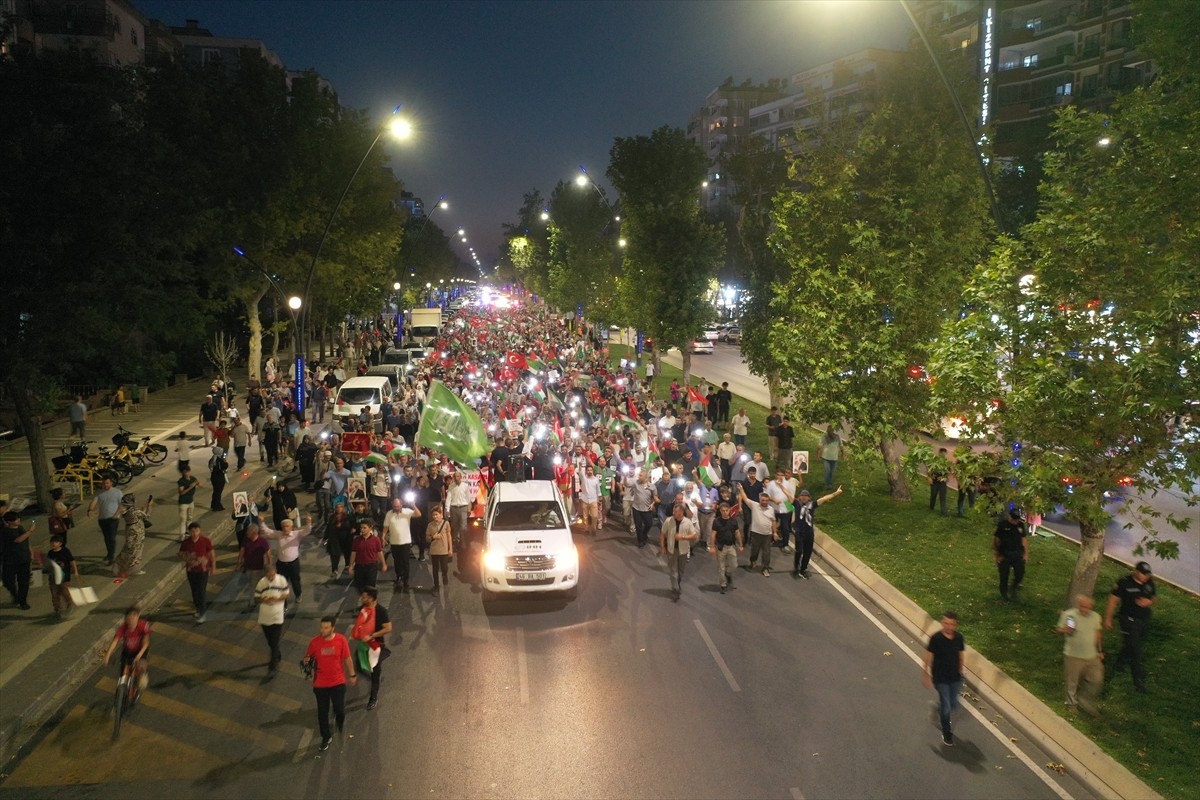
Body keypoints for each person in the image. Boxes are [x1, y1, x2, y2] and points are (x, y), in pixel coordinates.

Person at [303, 616, 357, 752]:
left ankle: (339, 723)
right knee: (322, 712)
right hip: (320, 684)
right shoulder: (314, 642)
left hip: (337, 682)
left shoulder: (341, 640)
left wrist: (352, 674)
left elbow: (347, 658)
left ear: (333, 628)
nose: (323, 630)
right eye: (322, 627)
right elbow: (307, 657)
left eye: (326, 627)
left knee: (339, 709)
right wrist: (306, 662)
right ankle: (326, 737)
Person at [1104, 561, 1156, 693]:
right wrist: (1108, 618)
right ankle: (1138, 680)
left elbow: (1154, 597)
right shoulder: (1124, 582)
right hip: (1128, 619)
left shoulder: (1149, 582)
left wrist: (1148, 601)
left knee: (1132, 644)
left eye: (1147, 574)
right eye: (1143, 574)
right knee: (1136, 650)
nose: (1146, 577)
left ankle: (1120, 663)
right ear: (1135, 571)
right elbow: (1113, 601)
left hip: (1144, 618)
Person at [1055, 594, 1104, 716]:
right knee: (1072, 681)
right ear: (1078, 605)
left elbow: (1097, 634)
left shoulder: (1096, 617)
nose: (1084, 609)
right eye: (1082, 606)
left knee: (1097, 679)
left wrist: (1100, 650)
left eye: (1087, 607)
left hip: (1091, 656)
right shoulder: (1069, 615)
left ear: (1091, 606)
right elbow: (1059, 630)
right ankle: (1071, 704)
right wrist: (1064, 630)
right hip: (1073, 655)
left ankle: (1084, 699)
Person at [923, 611, 965, 746]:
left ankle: (937, 708)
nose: (948, 626)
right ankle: (947, 733)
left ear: (955, 625)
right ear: (942, 623)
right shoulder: (936, 639)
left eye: (951, 624)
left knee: (953, 704)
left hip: (955, 677)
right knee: (947, 707)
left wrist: (960, 671)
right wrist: (926, 674)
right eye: (946, 623)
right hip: (940, 678)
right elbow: (928, 656)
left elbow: (960, 655)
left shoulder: (959, 638)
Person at [261, 514, 312, 612]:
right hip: (281, 564)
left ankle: (298, 594)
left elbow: (307, 531)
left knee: (295, 581)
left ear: (291, 527)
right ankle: (284, 605)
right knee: (281, 584)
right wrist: (262, 522)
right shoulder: (279, 534)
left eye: (287, 526)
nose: (285, 528)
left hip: (293, 564)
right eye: (283, 526)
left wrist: (309, 522)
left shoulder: (296, 534)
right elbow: (268, 531)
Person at [352, 588, 393, 710]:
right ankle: (373, 679)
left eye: (364, 597)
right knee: (359, 666)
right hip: (363, 645)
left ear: (371, 598)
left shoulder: (381, 611)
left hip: (375, 647)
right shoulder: (364, 608)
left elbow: (388, 628)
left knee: (375, 672)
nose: (361, 599)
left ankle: (373, 698)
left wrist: (372, 636)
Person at [792, 486, 844, 579]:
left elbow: (824, 498)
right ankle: (796, 566)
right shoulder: (796, 504)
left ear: (809, 497)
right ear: (799, 497)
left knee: (807, 552)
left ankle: (803, 569)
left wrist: (836, 493)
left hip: (809, 533)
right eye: (802, 495)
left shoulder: (812, 505)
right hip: (799, 532)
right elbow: (787, 496)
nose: (803, 497)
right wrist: (780, 485)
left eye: (806, 495)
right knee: (799, 551)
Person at [255, 562, 291, 678]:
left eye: (273, 575)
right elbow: (256, 597)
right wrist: (263, 599)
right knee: (270, 641)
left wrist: (277, 598)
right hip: (265, 617)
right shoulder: (261, 583)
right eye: (269, 576)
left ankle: (273, 666)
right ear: (265, 574)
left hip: (277, 616)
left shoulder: (281, 580)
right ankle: (277, 653)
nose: (271, 577)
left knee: (274, 641)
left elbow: (286, 594)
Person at [103, 607, 151, 693]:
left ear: (137, 617)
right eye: (129, 620)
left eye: (133, 619)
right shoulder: (123, 628)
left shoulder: (143, 626)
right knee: (123, 674)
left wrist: (139, 654)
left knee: (141, 667)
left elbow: (146, 643)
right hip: (127, 652)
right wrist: (107, 655)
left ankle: (140, 678)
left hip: (140, 651)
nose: (131, 623)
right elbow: (115, 641)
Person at [659, 504, 698, 602]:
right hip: (671, 550)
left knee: (680, 571)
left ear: (681, 512)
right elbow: (663, 534)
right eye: (673, 511)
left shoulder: (687, 522)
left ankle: (677, 584)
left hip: (683, 551)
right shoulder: (669, 521)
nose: (673, 513)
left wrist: (683, 537)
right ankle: (675, 589)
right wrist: (663, 547)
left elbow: (694, 536)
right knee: (673, 571)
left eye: (675, 512)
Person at [179, 522, 215, 623]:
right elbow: (181, 553)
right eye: (192, 531)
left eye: (197, 531)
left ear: (200, 530)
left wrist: (213, 567)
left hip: (203, 570)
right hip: (191, 571)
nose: (195, 533)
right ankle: (198, 608)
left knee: (201, 591)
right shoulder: (186, 543)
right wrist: (188, 558)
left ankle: (203, 613)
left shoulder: (205, 540)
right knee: (194, 591)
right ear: (189, 532)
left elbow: (211, 553)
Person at [740, 484, 778, 577]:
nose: (765, 502)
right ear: (759, 500)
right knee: (755, 550)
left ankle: (765, 568)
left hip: (767, 534)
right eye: (763, 500)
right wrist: (741, 489)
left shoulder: (771, 509)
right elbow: (745, 498)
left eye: (766, 500)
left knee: (766, 552)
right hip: (756, 533)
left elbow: (773, 521)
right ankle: (753, 561)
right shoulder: (754, 505)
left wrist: (775, 532)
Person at [382, 497, 419, 592]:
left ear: (401, 505)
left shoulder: (407, 512)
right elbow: (386, 527)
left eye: (398, 506)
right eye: (395, 506)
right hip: (394, 542)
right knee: (397, 561)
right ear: (392, 505)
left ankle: (406, 580)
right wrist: (382, 537)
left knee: (406, 562)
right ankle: (399, 576)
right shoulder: (389, 514)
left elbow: (418, 514)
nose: (396, 508)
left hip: (405, 542)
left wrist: (414, 506)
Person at [86, 476, 124, 565]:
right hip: (102, 518)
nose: (105, 485)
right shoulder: (99, 493)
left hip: (113, 518)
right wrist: (90, 510)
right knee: (106, 537)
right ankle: (109, 553)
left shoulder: (117, 492)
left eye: (107, 483)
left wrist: (116, 514)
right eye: (103, 483)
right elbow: (94, 502)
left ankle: (112, 556)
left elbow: (122, 504)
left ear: (111, 483)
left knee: (112, 537)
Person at [114, 494, 153, 579]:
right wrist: (149, 506)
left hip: (129, 530)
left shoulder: (125, 510)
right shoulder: (135, 511)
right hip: (137, 533)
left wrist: (144, 507)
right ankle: (133, 569)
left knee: (128, 548)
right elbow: (147, 515)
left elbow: (140, 512)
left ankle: (119, 566)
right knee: (136, 550)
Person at [707, 502, 743, 594]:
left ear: (729, 510)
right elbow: (713, 534)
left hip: (731, 546)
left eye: (726, 510)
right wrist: (712, 546)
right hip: (721, 547)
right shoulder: (717, 521)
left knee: (734, 565)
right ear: (720, 511)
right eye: (723, 511)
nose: (725, 512)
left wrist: (740, 544)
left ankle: (728, 573)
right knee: (721, 567)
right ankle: (723, 584)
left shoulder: (733, 521)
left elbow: (737, 533)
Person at [993, 507, 1028, 601]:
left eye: (1017, 520)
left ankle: (1013, 588)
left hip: (1017, 554)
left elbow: (1023, 540)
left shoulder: (1020, 525)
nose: (1015, 522)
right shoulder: (1003, 525)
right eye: (1014, 519)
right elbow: (996, 540)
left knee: (1020, 574)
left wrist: (1025, 554)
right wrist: (997, 554)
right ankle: (1004, 594)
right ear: (1009, 517)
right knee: (1004, 576)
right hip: (1005, 554)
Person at [1, 511, 34, 609]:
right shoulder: (5, 532)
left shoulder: (20, 528)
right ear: (9, 522)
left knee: (24, 581)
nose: (19, 520)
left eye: (19, 518)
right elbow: (18, 540)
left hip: (24, 559)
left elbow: (25, 540)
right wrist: (30, 531)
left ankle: (22, 601)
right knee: (8, 580)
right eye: (16, 519)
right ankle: (15, 595)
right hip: (10, 560)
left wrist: (30, 552)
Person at [237, 524, 273, 610]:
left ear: (254, 533)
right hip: (248, 567)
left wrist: (269, 567)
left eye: (248, 531)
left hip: (259, 568)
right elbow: (242, 551)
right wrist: (239, 562)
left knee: (254, 585)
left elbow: (269, 555)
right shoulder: (246, 540)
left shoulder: (262, 541)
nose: (247, 533)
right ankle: (255, 600)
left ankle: (253, 602)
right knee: (252, 584)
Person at [45, 534, 78, 618]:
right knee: (54, 594)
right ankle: (57, 610)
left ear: (60, 543)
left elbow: (72, 561)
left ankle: (69, 604)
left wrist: (75, 571)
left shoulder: (65, 551)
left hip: (64, 577)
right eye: (52, 542)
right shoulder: (50, 553)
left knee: (65, 591)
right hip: (53, 577)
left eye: (56, 542)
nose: (53, 544)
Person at [348, 520, 386, 593]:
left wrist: (383, 564)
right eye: (361, 528)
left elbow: (379, 552)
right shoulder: (357, 540)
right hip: (359, 566)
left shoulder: (376, 540)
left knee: (370, 587)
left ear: (370, 528)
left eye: (364, 528)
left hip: (371, 567)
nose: (362, 529)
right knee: (360, 586)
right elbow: (353, 553)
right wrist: (351, 565)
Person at [427, 506, 454, 593]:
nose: (435, 516)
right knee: (435, 569)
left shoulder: (446, 523)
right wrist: (432, 537)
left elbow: (449, 536)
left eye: (436, 514)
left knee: (444, 567)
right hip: (434, 550)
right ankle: (436, 586)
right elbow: (427, 538)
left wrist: (450, 549)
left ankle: (444, 575)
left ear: (441, 515)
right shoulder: (430, 525)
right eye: (433, 515)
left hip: (444, 550)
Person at [577, 465, 601, 535]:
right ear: (586, 471)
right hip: (585, 499)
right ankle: (586, 529)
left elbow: (598, 490)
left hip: (593, 500)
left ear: (593, 471)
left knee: (595, 516)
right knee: (585, 516)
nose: (589, 471)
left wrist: (599, 498)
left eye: (591, 470)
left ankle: (594, 529)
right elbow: (580, 473)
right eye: (588, 470)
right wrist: (580, 466)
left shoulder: (596, 479)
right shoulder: (584, 478)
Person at [928, 447, 951, 516]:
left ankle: (943, 512)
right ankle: (931, 507)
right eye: (941, 453)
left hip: (942, 483)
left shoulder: (947, 463)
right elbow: (929, 470)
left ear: (946, 454)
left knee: (942, 497)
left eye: (944, 454)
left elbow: (949, 472)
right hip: (934, 482)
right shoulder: (934, 461)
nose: (942, 455)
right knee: (933, 496)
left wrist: (944, 477)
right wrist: (929, 478)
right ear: (939, 453)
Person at [209, 447, 228, 511]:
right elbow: (224, 467)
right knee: (218, 493)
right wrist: (225, 462)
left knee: (215, 491)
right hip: (219, 478)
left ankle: (213, 504)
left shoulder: (212, 459)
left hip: (213, 477)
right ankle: (217, 506)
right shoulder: (219, 460)